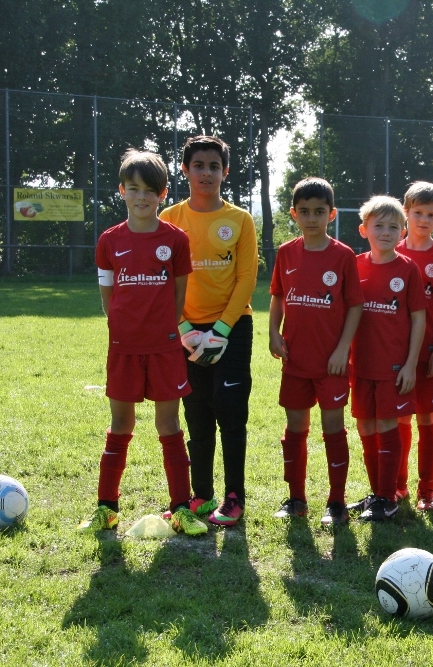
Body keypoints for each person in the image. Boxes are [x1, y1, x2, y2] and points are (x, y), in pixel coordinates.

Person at [80, 149, 206, 536]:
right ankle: (106, 507)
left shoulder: (176, 240)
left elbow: (178, 296)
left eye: (150, 190)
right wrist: (125, 327)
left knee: (169, 424)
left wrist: (162, 329)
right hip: (124, 348)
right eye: (133, 188)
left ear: (163, 193)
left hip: (165, 347)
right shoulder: (109, 241)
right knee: (121, 424)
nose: (141, 197)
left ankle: (181, 509)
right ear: (121, 191)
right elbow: (108, 298)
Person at [160, 135, 258, 526]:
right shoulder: (169, 218)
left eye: (214, 166)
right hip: (185, 330)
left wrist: (221, 330)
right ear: (185, 170)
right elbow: (162, 279)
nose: (206, 173)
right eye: (198, 165)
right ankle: (201, 495)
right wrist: (184, 328)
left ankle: (235, 498)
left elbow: (247, 278)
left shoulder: (240, 219)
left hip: (232, 327)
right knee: (197, 413)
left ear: (225, 172)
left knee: (230, 411)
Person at [269, 177, 363, 526]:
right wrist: (273, 332)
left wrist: (342, 350)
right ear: (294, 213)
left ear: (331, 214)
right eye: (305, 211)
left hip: (331, 363)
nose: (312, 218)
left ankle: (336, 502)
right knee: (295, 428)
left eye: (319, 211)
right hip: (295, 359)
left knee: (333, 427)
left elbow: (355, 305)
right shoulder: (286, 252)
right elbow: (278, 296)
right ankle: (296, 499)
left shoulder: (343, 255)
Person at [346, 196, 426, 521]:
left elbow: (419, 319)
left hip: (393, 366)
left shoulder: (407, 269)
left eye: (394, 227)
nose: (386, 232)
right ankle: (377, 492)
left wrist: (410, 364)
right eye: (378, 225)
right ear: (363, 229)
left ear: (402, 232)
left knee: (387, 425)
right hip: (360, 365)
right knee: (366, 425)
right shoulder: (353, 265)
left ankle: (388, 497)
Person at [394, 181, 433, 511]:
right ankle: (399, 484)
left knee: (427, 419)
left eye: (431, 214)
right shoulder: (392, 250)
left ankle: (428, 490)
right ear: (405, 212)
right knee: (400, 418)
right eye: (417, 212)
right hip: (396, 352)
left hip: (429, 351)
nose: (423, 219)